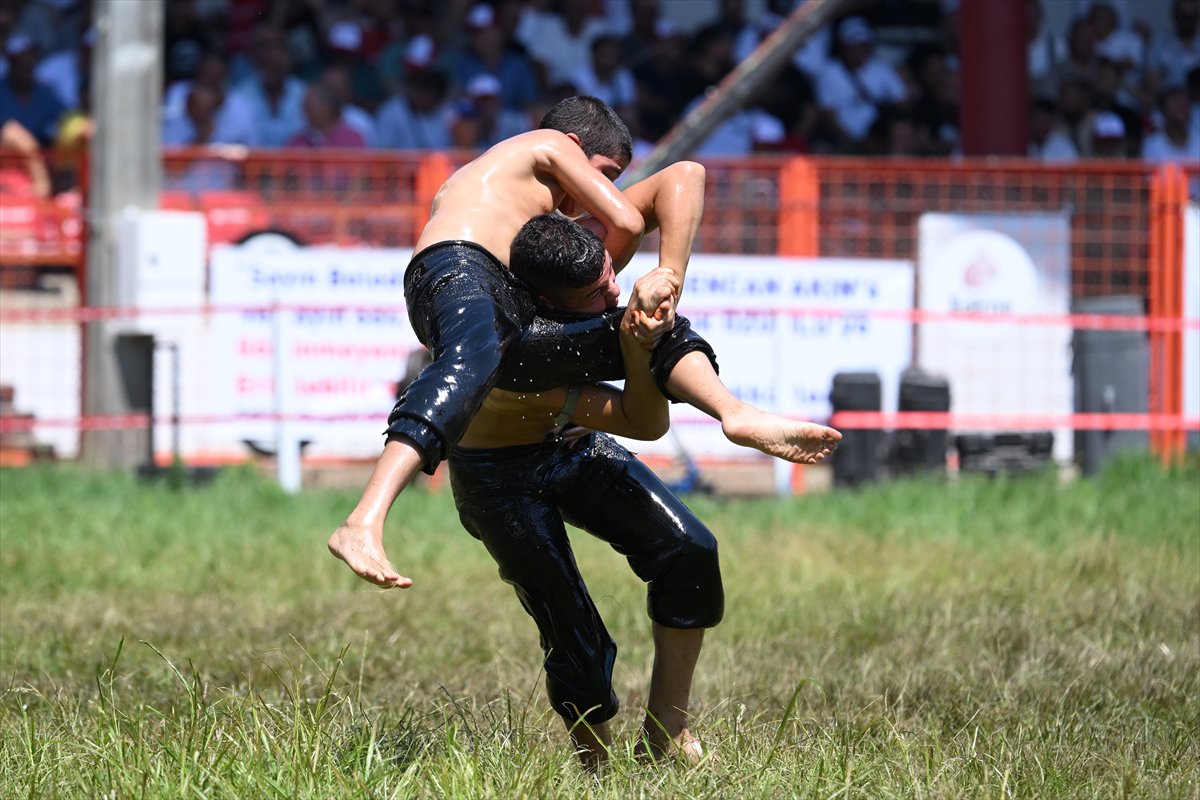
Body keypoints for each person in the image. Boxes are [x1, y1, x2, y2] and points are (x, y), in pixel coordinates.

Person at [328, 96, 839, 596]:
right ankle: (364, 519)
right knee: (470, 360)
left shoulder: (536, 223)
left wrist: (666, 280)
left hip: (510, 316)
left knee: (643, 325)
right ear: (574, 147)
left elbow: (685, 176)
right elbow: (629, 222)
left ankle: (734, 412)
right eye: (606, 173)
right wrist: (615, 262)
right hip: (456, 266)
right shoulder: (543, 144)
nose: (606, 189)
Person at [452, 214, 713, 769]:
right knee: (574, 630)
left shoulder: (567, 264)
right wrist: (634, 345)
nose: (615, 289)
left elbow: (684, 175)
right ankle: (594, 769)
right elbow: (644, 422)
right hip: (497, 480)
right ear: (550, 302)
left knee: (689, 551)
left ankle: (668, 732)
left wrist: (666, 271)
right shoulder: (520, 348)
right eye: (598, 292)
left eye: (609, 273)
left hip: (567, 449)